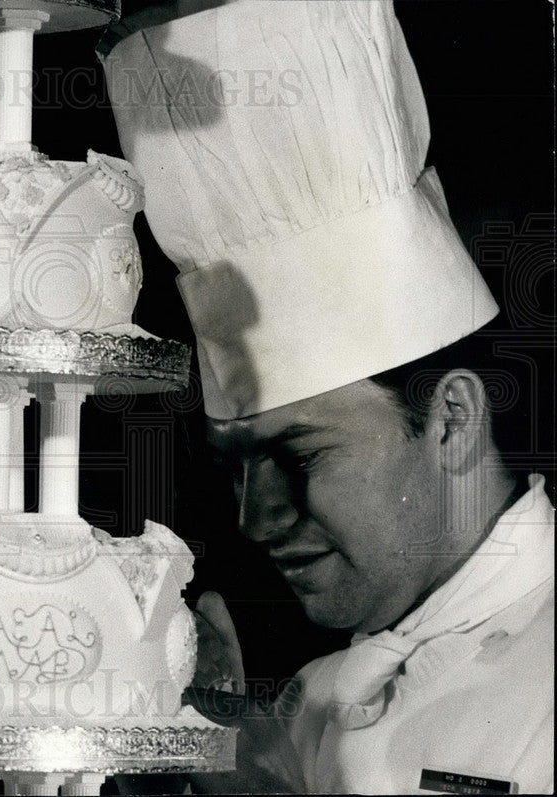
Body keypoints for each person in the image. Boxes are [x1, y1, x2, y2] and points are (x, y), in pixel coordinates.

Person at [101, 1, 554, 792]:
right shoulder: (310, 701)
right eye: (237, 464)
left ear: (452, 421)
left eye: (298, 452)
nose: (255, 517)